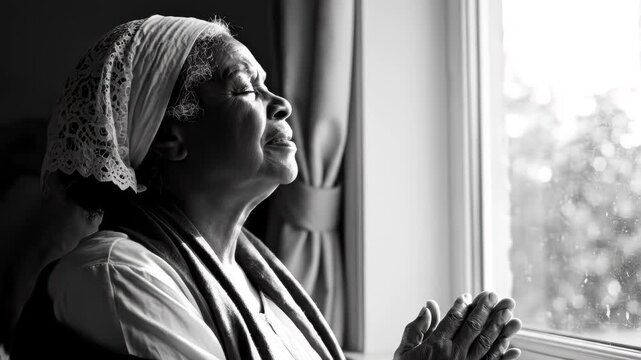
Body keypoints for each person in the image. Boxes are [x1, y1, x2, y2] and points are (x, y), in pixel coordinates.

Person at [11, 15, 522, 359]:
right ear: (168, 138)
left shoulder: (258, 276)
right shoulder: (114, 275)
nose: (282, 104)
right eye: (244, 89)